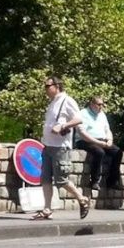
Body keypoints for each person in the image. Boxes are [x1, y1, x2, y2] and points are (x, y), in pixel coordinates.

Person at [31, 75, 89, 221]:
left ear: (57, 86)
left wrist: (63, 125)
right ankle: (47, 209)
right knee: (45, 179)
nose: (45, 89)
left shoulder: (67, 100)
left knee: (61, 180)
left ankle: (82, 199)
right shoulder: (53, 103)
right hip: (48, 145)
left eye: (47, 86)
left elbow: (79, 119)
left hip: (60, 147)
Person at [76, 96, 124, 191]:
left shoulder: (102, 114)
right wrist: (98, 142)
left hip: (102, 140)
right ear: (92, 104)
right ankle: (94, 181)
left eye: (102, 104)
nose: (101, 106)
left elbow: (107, 129)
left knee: (117, 152)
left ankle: (112, 181)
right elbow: (82, 133)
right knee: (99, 152)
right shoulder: (82, 113)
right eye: (99, 104)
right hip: (85, 140)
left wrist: (110, 139)